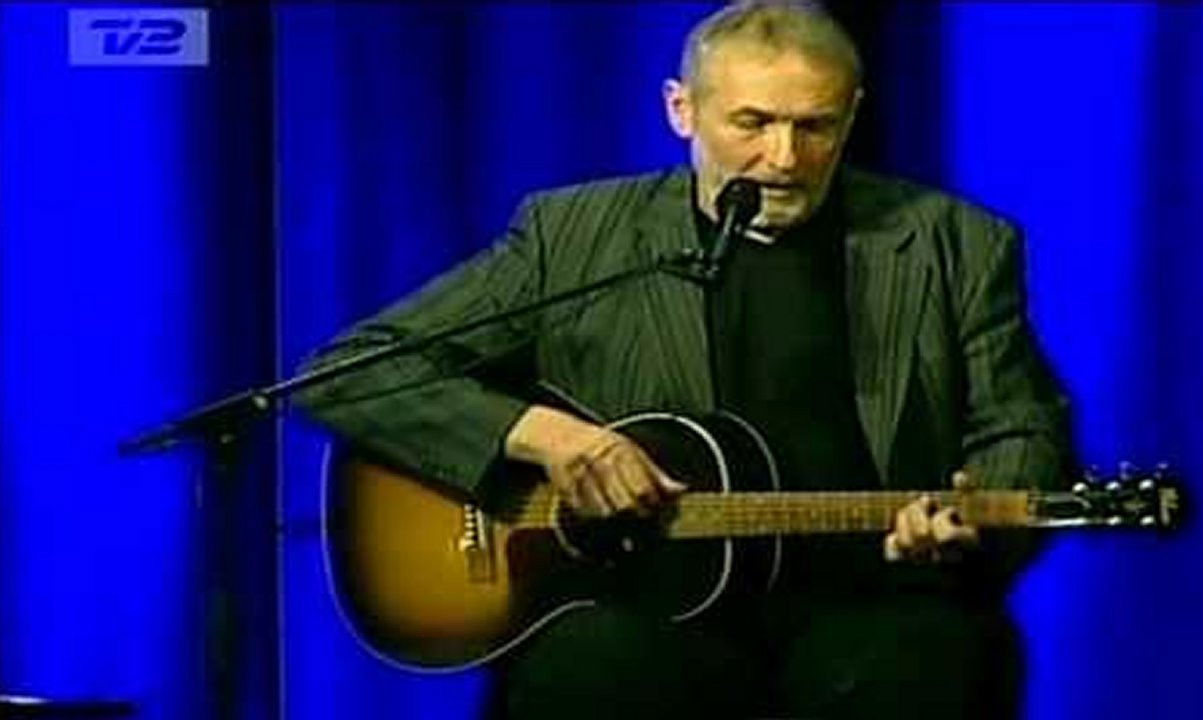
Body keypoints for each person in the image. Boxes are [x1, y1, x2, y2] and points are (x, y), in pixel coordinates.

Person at [296, 1, 1073, 717]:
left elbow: (1021, 426)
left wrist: (973, 517)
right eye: (752, 123)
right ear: (682, 109)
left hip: (865, 605)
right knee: (586, 669)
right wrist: (543, 436)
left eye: (815, 126)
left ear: (853, 115)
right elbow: (357, 370)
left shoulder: (955, 243)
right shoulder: (575, 236)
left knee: (929, 660)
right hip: (640, 603)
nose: (783, 158)